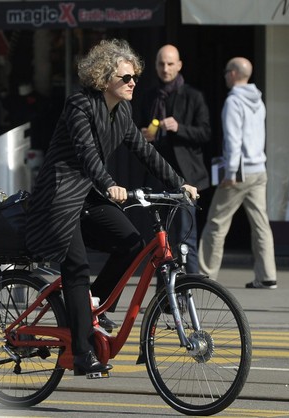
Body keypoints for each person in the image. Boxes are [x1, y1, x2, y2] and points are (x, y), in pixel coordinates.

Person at [25, 39, 197, 376]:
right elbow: (87, 153)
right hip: (59, 197)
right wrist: (107, 183)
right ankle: (82, 354)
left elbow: (145, 152)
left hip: (88, 195)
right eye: (126, 77)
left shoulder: (122, 112)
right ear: (105, 80)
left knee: (133, 245)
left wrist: (178, 183)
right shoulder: (79, 104)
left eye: (134, 77)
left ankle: (95, 305)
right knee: (77, 267)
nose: (133, 82)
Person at [197, 57, 277, 289]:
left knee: (216, 223)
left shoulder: (233, 102)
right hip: (259, 170)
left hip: (239, 173)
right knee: (261, 224)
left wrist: (230, 172)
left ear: (233, 73)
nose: (224, 76)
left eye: (225, 71)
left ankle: (205, 276)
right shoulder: (258, 101)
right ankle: (267, 276)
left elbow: (233, 140)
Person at [136, 44, 211, 273]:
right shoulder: (149, 96)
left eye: (170, 63)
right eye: (161, 63)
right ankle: (165, 296)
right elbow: (137, 131)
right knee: (161, 240)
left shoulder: (193, 96)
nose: (165, 68)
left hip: (185, 175)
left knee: (186, 236)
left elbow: (205, 133)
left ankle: (192, 288)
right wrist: (143, 135)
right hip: (158, 175)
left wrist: (179, 128)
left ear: (179, 65)